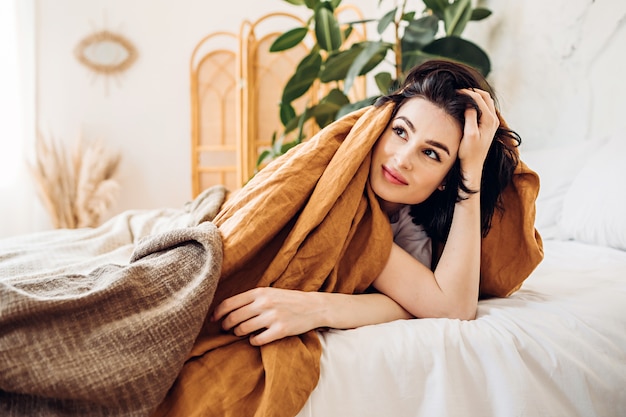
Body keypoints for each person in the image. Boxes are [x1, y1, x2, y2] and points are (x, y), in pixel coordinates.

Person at [210, 59, 521, 346]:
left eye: (431, 153)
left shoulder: (410, 227)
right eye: (400, 131)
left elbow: (448, 305)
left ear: (446, 179)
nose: (402, 159)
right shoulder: (342, 193)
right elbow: (432, 304)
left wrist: (471, 170)